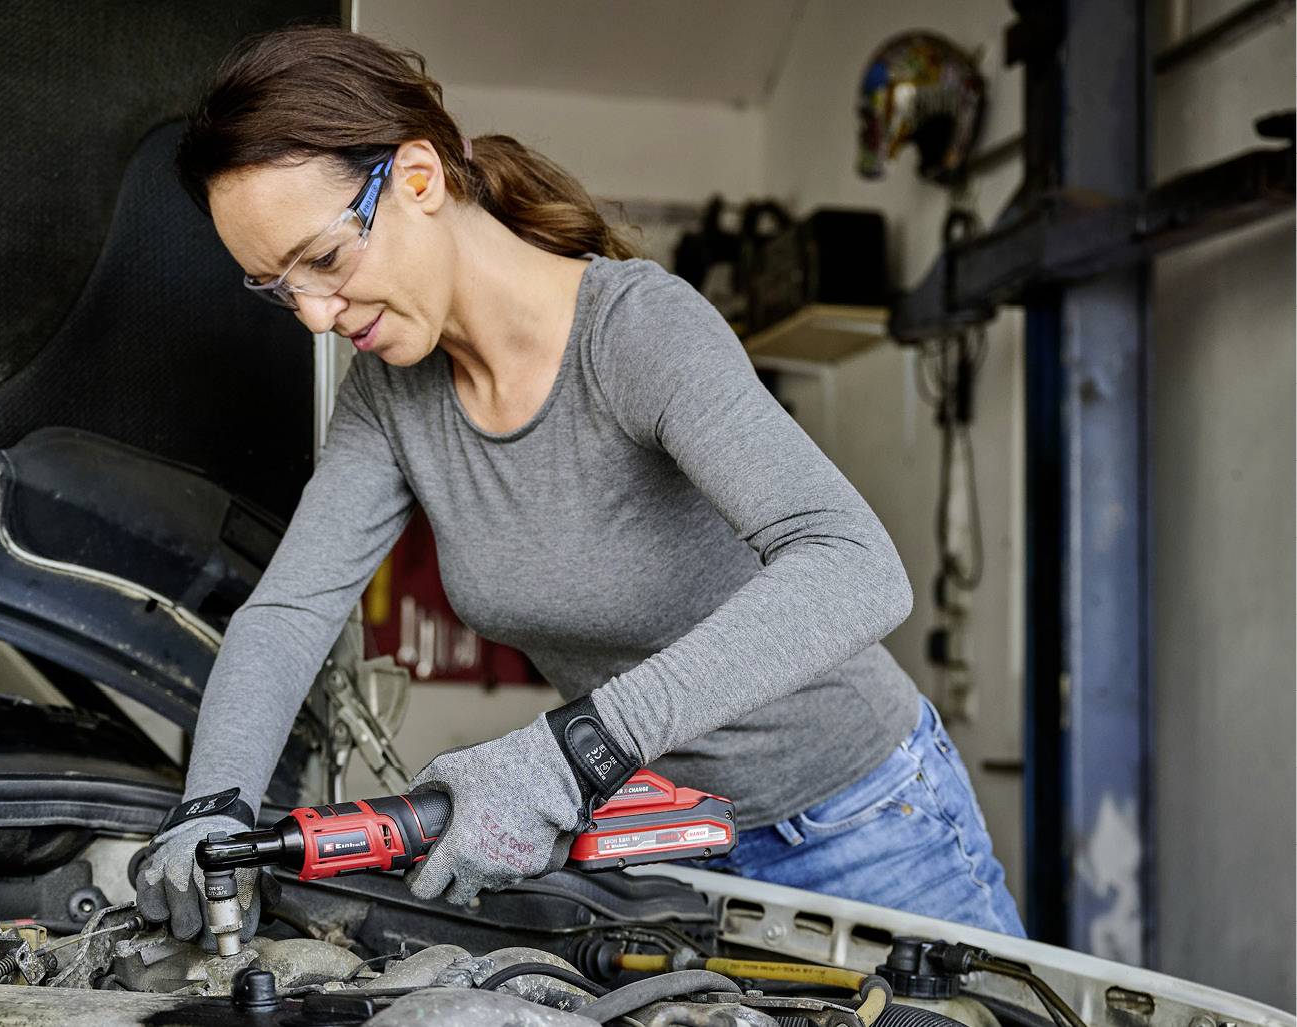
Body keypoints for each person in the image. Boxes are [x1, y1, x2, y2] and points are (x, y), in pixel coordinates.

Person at [134, 25, 1024, 945]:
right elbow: (289, 613)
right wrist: (213, 807)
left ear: (417, 178)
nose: (314, 315)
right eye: (276, 288)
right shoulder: (390, 396)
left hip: (860, 818)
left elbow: (855, 568)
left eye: (322, 261)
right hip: (669, 842)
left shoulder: (635, 332)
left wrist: (570, 756)